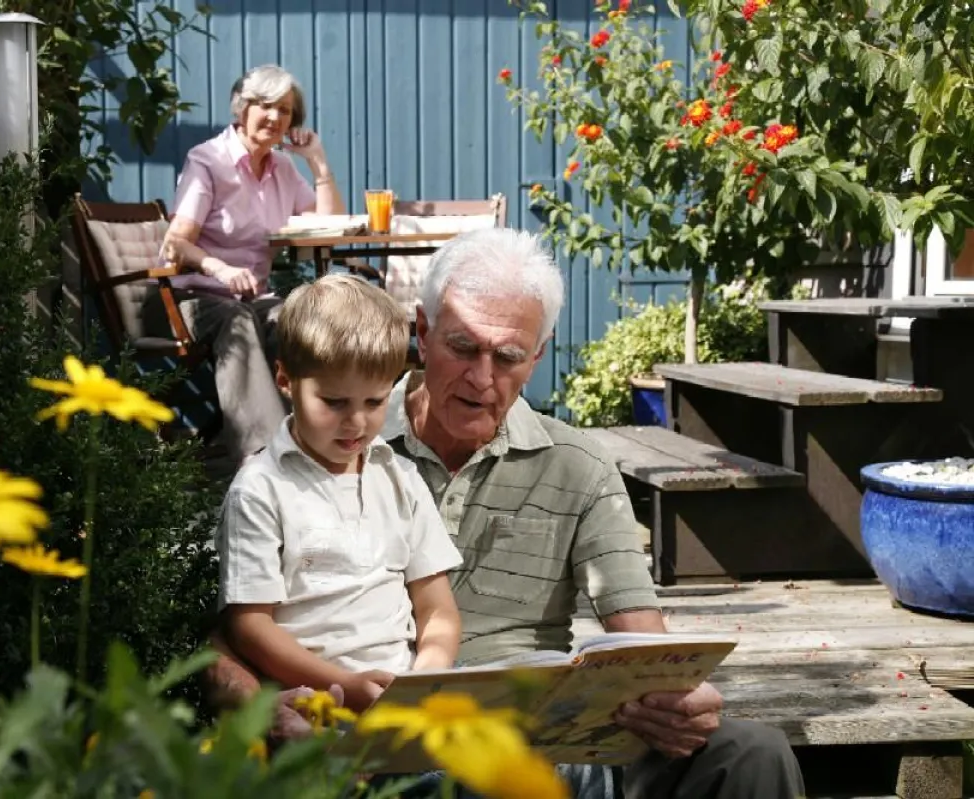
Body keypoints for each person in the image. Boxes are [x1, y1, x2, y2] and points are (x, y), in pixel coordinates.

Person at [205, 228, 806, 798]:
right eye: (462, 347)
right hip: (371, 723)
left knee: (751, 754)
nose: (482, 378)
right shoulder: (334, 445)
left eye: (509, 356)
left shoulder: (578, 466)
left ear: (539, 355)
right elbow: (231, 629)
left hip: (537, 730)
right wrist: (259, 705)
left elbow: (644, 645)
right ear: (422, 330)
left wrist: (681, 695)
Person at [216, 274, 464, 711]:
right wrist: (346, 685)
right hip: (314, 702)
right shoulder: (261, 489)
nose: (356, 423)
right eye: (333, 403)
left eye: (374, 403)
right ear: (286, 381)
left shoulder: (399, 477)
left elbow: (437, 607)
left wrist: (427, 675)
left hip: (403, 696)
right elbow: (249, 626)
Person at [147, 64, 345, 464]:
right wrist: (220, 269)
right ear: (241, 108)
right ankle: (265, 455)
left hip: (254, 298)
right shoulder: (208, 161)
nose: (274, 117)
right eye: (265, 105)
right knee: (236, 319)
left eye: (285, 110)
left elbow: (331, 227)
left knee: (297, 316)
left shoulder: (282, 168)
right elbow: (176, 243)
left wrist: (318, 162)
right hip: (189, 299)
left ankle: (321, 434)